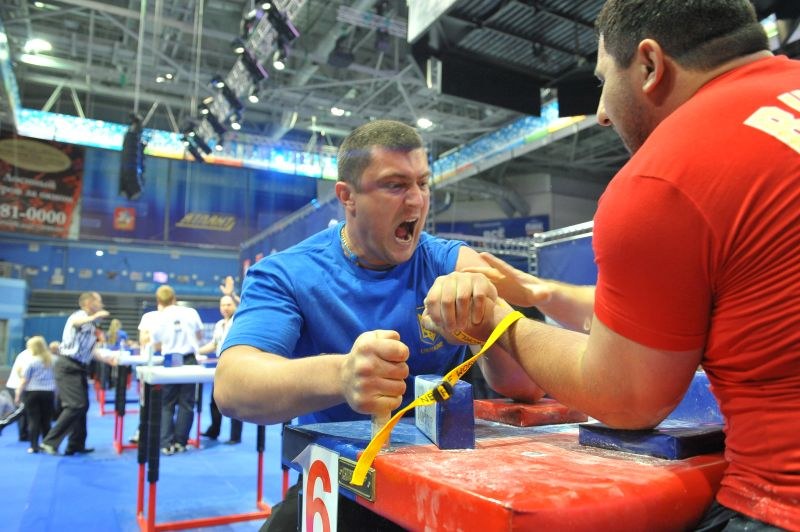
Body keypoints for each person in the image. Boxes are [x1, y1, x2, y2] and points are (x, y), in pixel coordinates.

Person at [423, 2, 800, 530]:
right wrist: (540, 291)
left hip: (779, 501)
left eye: (604, 80)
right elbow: (673, 315)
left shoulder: (665, 174)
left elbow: (625, 397)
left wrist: (498, 324)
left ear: (649, 65)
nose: (600, 110)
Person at [215, 119, 542, 530]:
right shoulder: (287, 273)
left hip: (446, 486)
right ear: (347, 197)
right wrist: (343, 375)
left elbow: (525, 388)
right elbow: (232, 386)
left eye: (423, 184)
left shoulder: (449, 261)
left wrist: (485, 321)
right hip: (340, 486)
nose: (417, 202)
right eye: (395, 185)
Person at [41, 291, 114, 456]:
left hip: (80, 367)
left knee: (83, 406)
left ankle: (76, 444)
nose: (102, 305)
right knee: (75, 405)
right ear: (89, 303)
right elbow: (77, 322)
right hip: (67, 365)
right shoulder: (79, 316)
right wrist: (94, 317)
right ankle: (49, 442)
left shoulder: (92, 326)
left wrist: (108, 359)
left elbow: (90, 351)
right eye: (99, 302)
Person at [150, 285, 203, 455]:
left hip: (171, 358)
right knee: (187, 403)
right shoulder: (190, 312)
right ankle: (181, 442)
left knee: (167, 403)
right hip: (188, 358)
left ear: (159, 301)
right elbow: (200, 336)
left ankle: (166, 443)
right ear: (174, 298)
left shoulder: (158, 317)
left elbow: (156, 344)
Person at [198, 294, 242, 443]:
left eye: (229, 304)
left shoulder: (239, 320)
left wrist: (232, 294)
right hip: (220, 365)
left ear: (235, 306)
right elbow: (214, 345)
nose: (225, 308)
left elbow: (244, 305)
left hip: (235, 364)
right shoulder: (218, 324)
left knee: (235, 402)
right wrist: (195, 350)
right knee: (214, 400)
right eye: (223, 305)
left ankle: (235, 436)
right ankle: (214, 430)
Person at [14, 336, 57, 453]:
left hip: (32, 393)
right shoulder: (53, 360)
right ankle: (47, 444)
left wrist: (18, 394)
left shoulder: (31, 361)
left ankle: (34, 446)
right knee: (46, 420)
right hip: (48, 393)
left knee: (34, 420)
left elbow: (24, 380)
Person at [3, 343, 33, 441]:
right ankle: (5, 424)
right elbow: (23, 373)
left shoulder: (24, 354)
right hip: (17, 386)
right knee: (22, 410)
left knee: (23, 411)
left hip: (17, 386)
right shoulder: (28, 355)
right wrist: (19, 391)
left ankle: (24, 434)